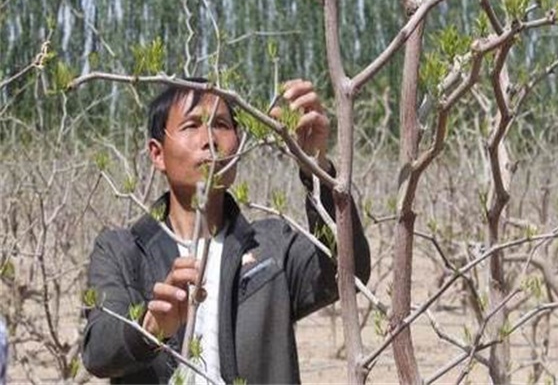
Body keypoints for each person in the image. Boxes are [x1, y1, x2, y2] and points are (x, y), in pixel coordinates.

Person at [81, 78, 370, 384]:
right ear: (157, 154)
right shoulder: (121, 251)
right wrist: (149, 328)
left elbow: (347, 274)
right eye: (192, 125)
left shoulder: (272, 247)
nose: (209, 138)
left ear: (239, 142)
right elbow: (98, 353)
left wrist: (316, 168)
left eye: (220, 124)